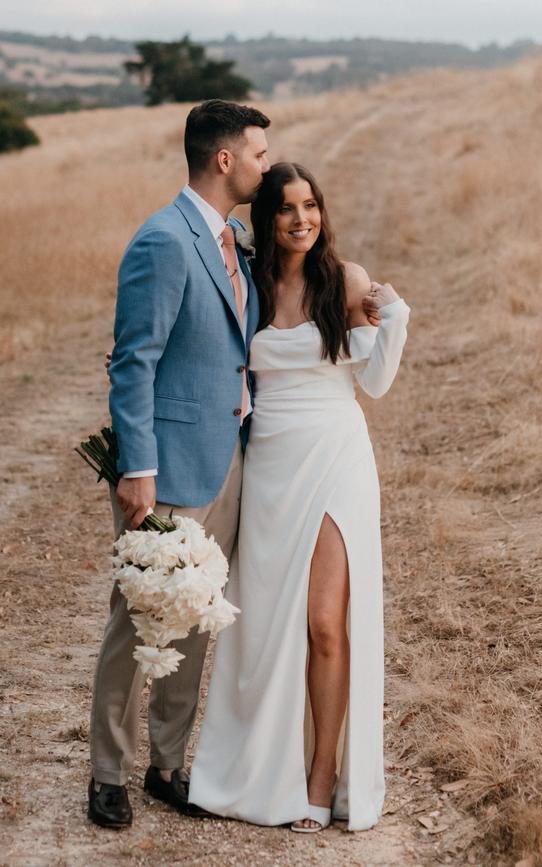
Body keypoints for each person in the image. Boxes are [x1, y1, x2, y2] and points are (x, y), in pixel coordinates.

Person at [189, 162, 410, 832]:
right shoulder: (250, 284)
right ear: (268, 218)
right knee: (263, 627)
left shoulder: (344, 280)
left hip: (336, 454)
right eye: (286, 208)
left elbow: (373, 382)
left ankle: (322, 777)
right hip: (271, 465)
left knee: (323, 622)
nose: (301, 220)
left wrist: (393, 315)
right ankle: (259, 768)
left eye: (310, 205)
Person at [87, 99, 271, 829]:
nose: (265, 161)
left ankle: (166, 764)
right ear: (223, 159)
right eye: (258, 150)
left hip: (228, 461)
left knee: (196, 619)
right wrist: (138, 468)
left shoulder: (235, 239)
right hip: (165, 469)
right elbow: (134, 362)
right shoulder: (163, 240)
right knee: (139, 623)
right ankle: (107, 771)